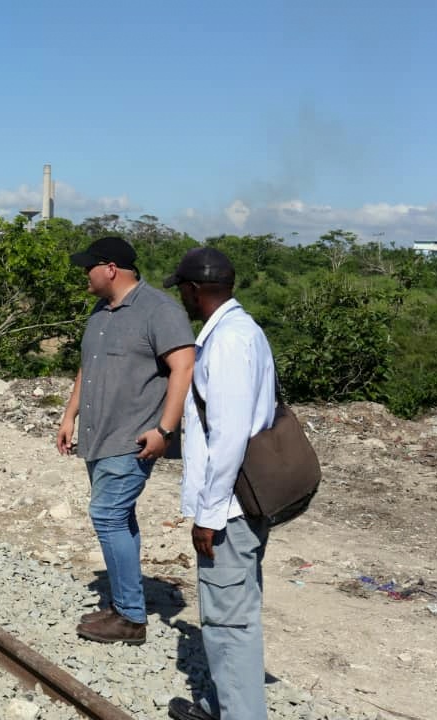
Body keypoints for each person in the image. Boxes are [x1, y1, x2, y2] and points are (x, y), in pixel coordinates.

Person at [56, 236, 195, 645]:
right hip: (97, 435)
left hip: (133, 437)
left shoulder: (159, 310)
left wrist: (165, 430)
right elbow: (88, 367)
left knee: (107, 515)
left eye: (89, 268)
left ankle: (131, 619)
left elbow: (183, 366)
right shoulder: (101, 311)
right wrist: (69, 415)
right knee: (119, 517)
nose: (85, 275)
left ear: (110, 268)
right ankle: (124, 602)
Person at [163, 247, 276, 720]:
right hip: (246, 499)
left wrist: (208, 517)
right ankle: (224, 703)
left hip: (229, 509)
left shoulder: (228, 341)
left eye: (183, 291)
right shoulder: (241, 332)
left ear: (194, 290)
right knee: (238, 613)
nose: (184, 300)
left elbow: (229, 436)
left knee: (228, 621)